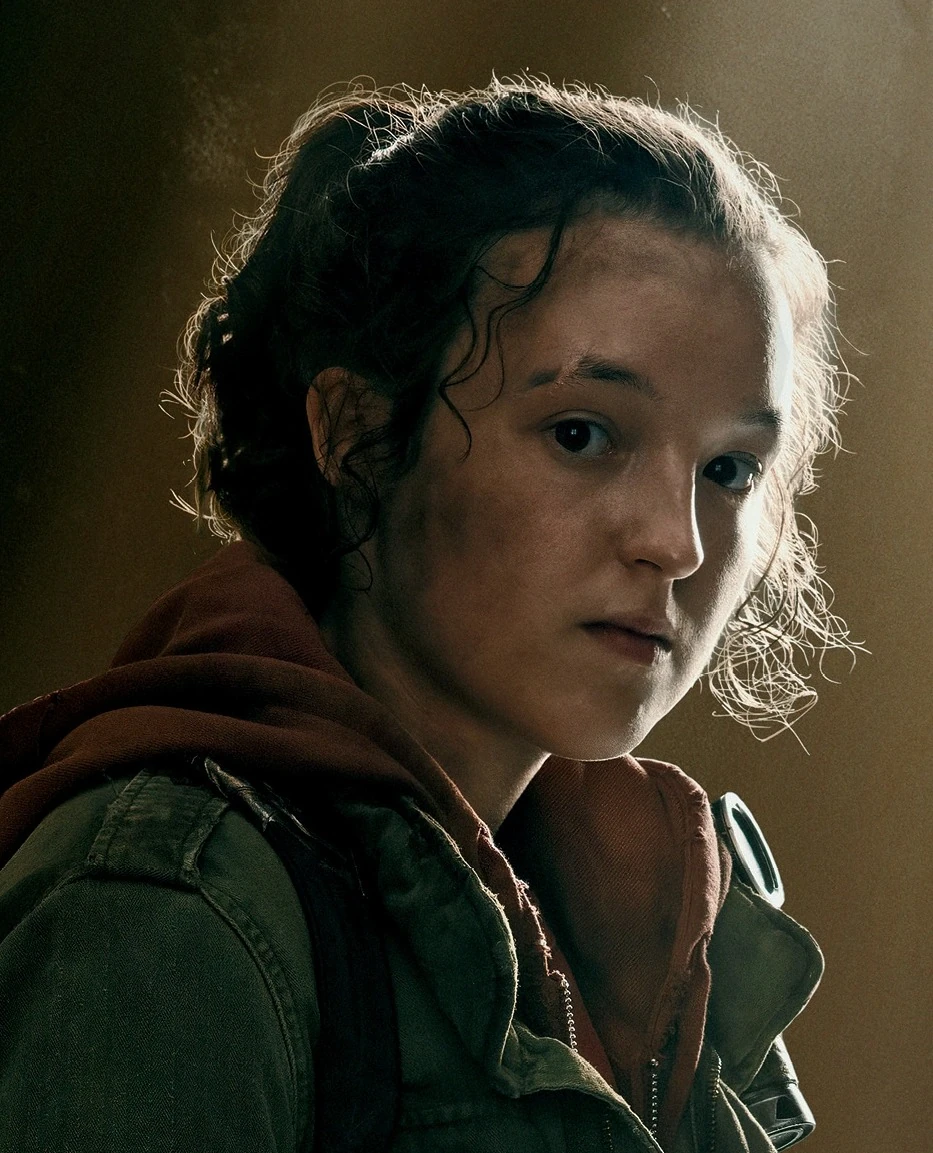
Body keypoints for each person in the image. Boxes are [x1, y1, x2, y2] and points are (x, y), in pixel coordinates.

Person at [0, 78, 856, 1152]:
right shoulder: (165, 910)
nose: (676, 542)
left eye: (729, 469)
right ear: (357, 435)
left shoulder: (656, 933)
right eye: (582, 433)